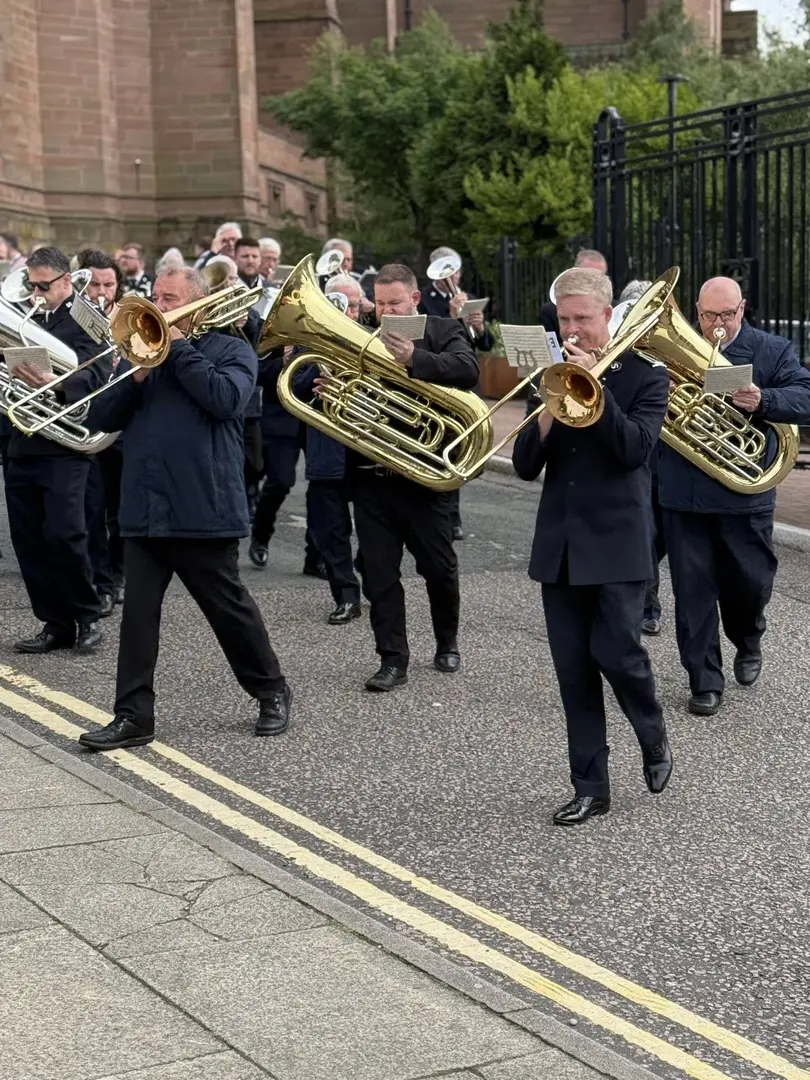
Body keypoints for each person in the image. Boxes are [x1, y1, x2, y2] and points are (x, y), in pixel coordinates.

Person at [77, 266, 292, 751]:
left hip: (203, 507)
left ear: (195, 304)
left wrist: (178, 349)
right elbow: (99, 415)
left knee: (227, 609)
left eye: (169, 297)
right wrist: (134, 378)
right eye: (156, 295)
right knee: (137, 617)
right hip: (145, 507)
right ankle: (133, 716)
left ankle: (271, 689)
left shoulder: (231, 348)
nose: (159, 303)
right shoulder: (140, 354)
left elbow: (226, 400)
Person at [513, 267, 672, 826]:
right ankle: (590, 786)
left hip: (619, 542)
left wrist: (596, 394)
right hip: (560, 544)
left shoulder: (648, 377)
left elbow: (634, 451)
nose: (574, 329)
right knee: (573, 671)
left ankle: (651, 732)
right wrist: (549, 418)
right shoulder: (551, 378)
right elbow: (526, 466)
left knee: (618, 654)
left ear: (607, 317)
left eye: (583, 318)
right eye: (565, 320)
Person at [659, 276, 810, 717]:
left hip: (745, 491)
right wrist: (657, 393)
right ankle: (704, 681)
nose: (718, 324)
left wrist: (764, 399)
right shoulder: (669, 351)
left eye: (727, 314)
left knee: (749, 584)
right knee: (693, 593)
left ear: (742, 309)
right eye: (709, 316)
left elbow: (805, 396)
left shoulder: (771, 350)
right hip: (685, 491)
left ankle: (749, 637)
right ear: (697, 311)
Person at [349, 263, 478, 691]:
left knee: (438, 569)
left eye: (395, 303)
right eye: (380, 303)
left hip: (423, 476)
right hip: (371, 475)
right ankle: (392, 659)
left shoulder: (442, 330)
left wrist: (414, 359)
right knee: (379, 573)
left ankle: (447, 641)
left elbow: (467, 369)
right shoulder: (361, 335)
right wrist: (331, 384)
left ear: (415, 300)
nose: (385, 312)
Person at [4, 246, 111, 654]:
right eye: (31, 284)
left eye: (43, 285)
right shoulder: (28, 313)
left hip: (66, 445)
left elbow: (100, 371)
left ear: (66, 281)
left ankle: (86, 615)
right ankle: (54, 622)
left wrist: (58, 382)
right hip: (24, 441)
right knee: (28, 539)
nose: (35, 292)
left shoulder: (87, 317)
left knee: (65, 533)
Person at [292, 273, 363, 625]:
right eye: (338, 303)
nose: (345, 311)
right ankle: (346, 595)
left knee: (375, 527)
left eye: (351, 304)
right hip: (327, 451)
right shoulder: (312, 343)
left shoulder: (375, 339)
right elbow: (291, 382)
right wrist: (316, 381)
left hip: (369, 450)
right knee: (331, 530)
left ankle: (373, 581)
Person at [420, 246, 495, 540]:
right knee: (440, 445)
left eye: (457, 270)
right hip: (438, 381)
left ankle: (453, 514)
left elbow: (484, 344)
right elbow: (429, 339)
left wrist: (478, 325)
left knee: (460, 447)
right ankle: (439, 512)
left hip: (465, 381)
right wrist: (454, 318)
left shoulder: (467, 296)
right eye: (447, 270)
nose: (453, 276)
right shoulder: (425, 300)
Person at [77, 250, 126, 614]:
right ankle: (102, 582)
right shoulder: (73, 319)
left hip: (124, 427)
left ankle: (119, 572)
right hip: (85, 425)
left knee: (122, 510)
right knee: (91, 508)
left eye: (109, 284)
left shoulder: (129, 316)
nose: (101, 291)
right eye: (94, 283)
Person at [539, 250, 609, 341]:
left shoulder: (616, 308)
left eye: (582, 318)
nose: (593, 281)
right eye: (563, 319)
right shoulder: (550, 310)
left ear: (608, 315)